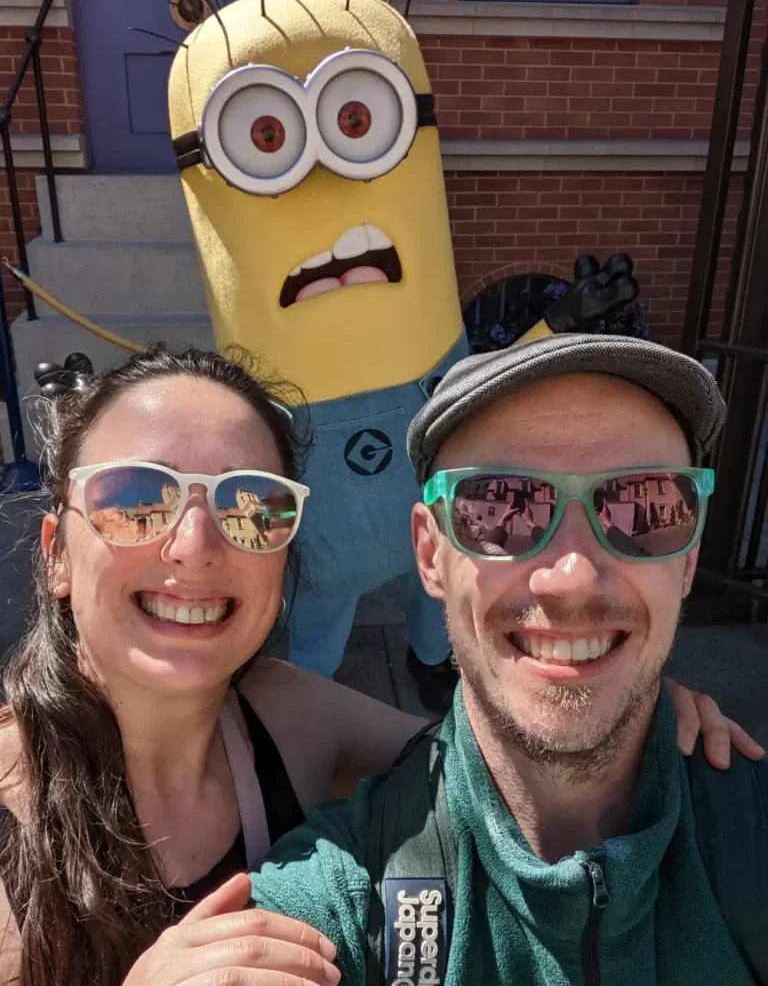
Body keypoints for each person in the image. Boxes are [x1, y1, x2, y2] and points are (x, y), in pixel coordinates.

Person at [0, 344, 757, 986]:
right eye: (499, 507)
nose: (195, 545)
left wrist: (639, 699)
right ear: (57, 550)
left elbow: (485, 743)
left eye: (251, 507)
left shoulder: (286, 711)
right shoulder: (334, 887)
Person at [235, 333, 767, 985]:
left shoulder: (750, 836)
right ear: (430, 555)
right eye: (501, 508)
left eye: (643, 507)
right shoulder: (341, 895)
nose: (571, 577)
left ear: (686, 558)